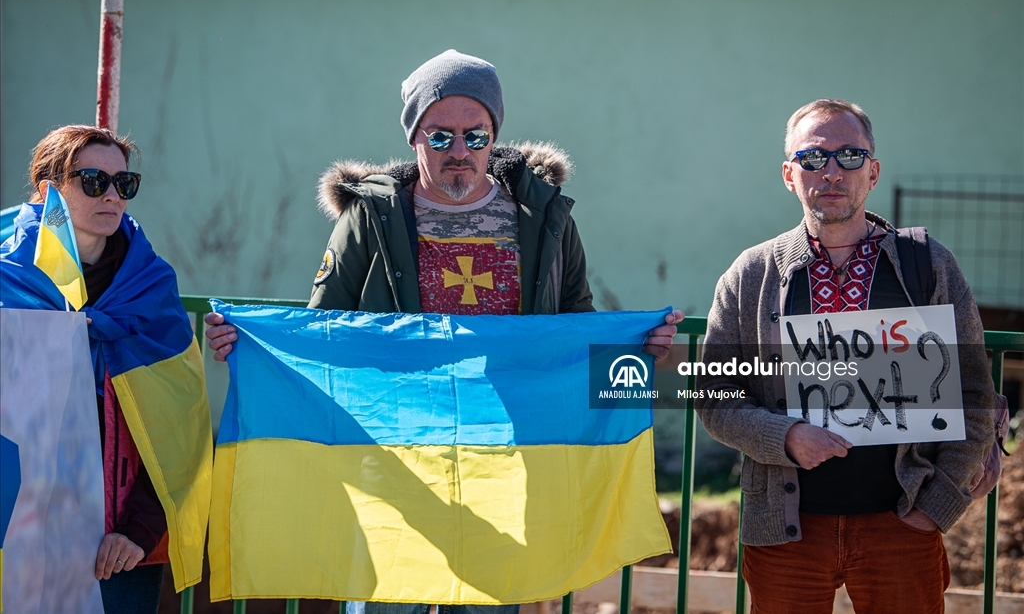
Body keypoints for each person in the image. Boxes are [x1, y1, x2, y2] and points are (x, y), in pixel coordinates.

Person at [205, 50, 683, 614]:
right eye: (440, 136)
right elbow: (323, 326)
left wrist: (635, 348)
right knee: (388, 601)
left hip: (508, 451)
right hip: (392, 453)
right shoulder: (371, 217)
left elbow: (575, 324)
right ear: (414, 137)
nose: (459, 152)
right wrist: (252, 346)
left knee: (492, 601)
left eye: (475, 136)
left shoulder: (545, 215)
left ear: (494, 135)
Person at [694, 99, 996, 614]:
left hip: (900, 524)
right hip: (786, 534)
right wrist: (784, 437)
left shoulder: (928, 266)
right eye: (813, 158)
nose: (831, 171)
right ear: (790, 175)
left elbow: (974, 393)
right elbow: (713, 393)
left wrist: (937, 505)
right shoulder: (751, 275)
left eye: (849, 156)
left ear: (872, 172)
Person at [0, 125, 213, 614]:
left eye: (125, 183)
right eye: (94, 180)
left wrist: (139, 530)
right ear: (51, 190)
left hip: (115, 548)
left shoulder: (152, 289)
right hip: (19, 536)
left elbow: (181, 427)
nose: (113, 195)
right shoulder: (8, 284)